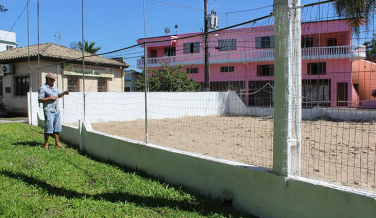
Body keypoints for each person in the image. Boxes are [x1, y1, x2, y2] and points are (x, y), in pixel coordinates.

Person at [38, 73, 69, 150]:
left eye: (54, 80)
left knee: (57, 127)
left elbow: (58, 95)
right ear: (48, 79)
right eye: (53, 80)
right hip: (48, 110)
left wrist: (64, 93)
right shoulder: (43, 88)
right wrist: (50, 98)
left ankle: (57, 143)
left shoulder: (55, 87)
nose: (54, 81)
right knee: (49, 127)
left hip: (56, 110)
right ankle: (46, 144)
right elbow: (40, 99)